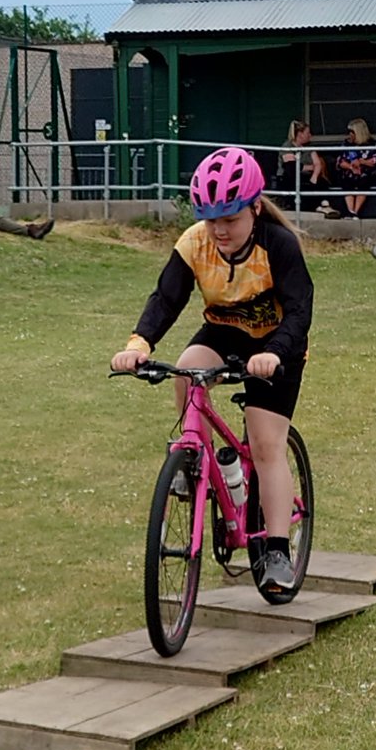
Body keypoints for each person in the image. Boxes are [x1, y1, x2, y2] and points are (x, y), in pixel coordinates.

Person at [109, 147, 313, 597]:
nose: (219, 230)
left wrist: (274, 353)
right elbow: (167, 299)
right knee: (185, 370)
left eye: (230, 219)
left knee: (266, 444)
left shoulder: (278, 245)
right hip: (224, 333)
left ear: (254, 209)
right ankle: (194, 458)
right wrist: (139, 344)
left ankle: (277, 550)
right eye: (209, 220)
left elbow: (299, 311)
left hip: (278, 344)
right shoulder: (194, 243)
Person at [334, 118, 376, 219]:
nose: (350, 134)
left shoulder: (371, 144)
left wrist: (361, 162)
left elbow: (374, 161)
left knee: (364, 181)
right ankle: (350, 211)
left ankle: (355, 212)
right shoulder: (346, 143)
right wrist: (351, 167)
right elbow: (340, 161)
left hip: (366, 172)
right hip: (349, 171)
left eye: (352, 132)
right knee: (346, 180)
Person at [274, 119, 327, 193]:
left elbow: (317, 163)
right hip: (289, 179)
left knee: (323, 184)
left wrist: (314, 177)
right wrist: (310, 167)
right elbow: (292, 167)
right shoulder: (288, 146)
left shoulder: (309, 147)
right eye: (308, 133)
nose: (310, 135)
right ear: (300, 134)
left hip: (306, 177)